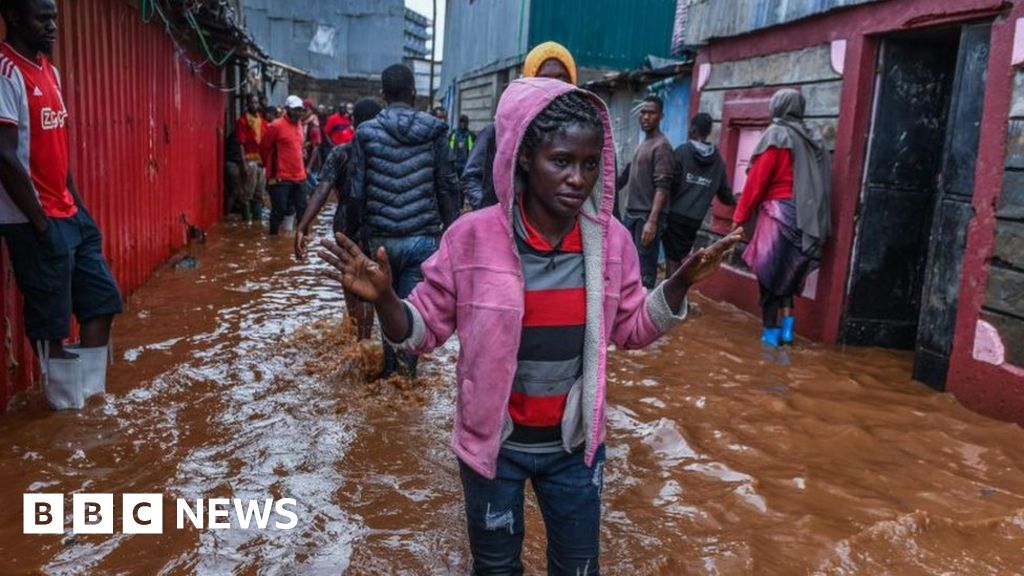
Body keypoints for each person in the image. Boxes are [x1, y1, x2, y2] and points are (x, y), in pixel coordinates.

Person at [320, 78, 743, 573]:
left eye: (589, 164)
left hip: (575, 448)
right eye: (561, 161)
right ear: (523, 157)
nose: (577, 179)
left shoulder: (611, 244)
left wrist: (679, 286)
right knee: (496, 568)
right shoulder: (471, 239)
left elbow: (629, 328)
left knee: (578, 566)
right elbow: (422, 332)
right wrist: (389, 297)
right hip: (492, 450)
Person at [0, 0, 123, 410]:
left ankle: (90, 402)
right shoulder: (6, 71)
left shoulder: (49, 70)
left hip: (70, 213)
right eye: (43, 18)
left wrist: (82, 211)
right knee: (50, 323)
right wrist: (39, 222)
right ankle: (64, 413)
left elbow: (58, 149)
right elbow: (4, 155)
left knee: (101, 302)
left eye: (55, 18)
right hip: (33, 220)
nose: (53, 26)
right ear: (14, 17)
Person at [346, 63, 459, 378]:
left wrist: (355, 237)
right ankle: (405, 380)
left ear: (383, 95)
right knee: (413, 310)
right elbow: (448, 185)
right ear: (414, 93)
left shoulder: (365, 133)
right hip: (422, 239)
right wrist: (453, 236)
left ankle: (388, 375)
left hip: (379, 239)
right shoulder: (436, 130)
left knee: (385, 303)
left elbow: (356, 193)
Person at [732, 89, 832, 347]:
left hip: (778, 216)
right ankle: (788, 331)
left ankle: (770, 338)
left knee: (769, 276)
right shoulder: (811, 139)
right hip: (805, 218)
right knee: (788, 275)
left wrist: (740, 216)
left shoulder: (777, 135)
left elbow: (757, 182)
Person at [295, 99, 382, 339]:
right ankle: (366, 342)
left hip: (345, 226)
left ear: (353, 123)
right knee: (371, 284)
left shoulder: (340, 152)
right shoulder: (387, 154)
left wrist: (303, 226)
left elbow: (322, 191)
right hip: (379, 227)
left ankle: (358, 339)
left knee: (351, 280)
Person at [462, 41, 577, 210]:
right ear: (530, 81)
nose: (555, 87)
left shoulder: (588, 134)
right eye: (544, 78)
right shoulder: (499, 131)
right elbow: (471, 177)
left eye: (562, 78)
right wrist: (490, 212)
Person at [664, 112, 734, 277]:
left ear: (692, 129)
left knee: (672, 260)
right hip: (695, 219)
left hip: (675, 215)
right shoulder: (718, 161)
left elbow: (670, 184)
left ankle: (673, 299)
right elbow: (725, 194)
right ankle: (677, 297)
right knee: (680, 258)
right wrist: (741, 201)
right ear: (708, 132)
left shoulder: (682, 152)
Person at [620, 95, 675, 289]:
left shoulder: (662, 147)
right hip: (632, 214)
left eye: (651, 113)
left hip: (646, 217)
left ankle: (644, 313)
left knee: (645, 270)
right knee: (627, 264)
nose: (645, 117)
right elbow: (626, 177)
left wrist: (652, 221)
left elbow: (663, 187)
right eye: (643, 112)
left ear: (661, 116)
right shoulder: (643, 143)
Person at [261, 95, 308, 235]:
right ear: (288, 110)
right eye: (296, 110)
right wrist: (269, 170)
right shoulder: (276, 125)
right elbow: (264, 148)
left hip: (299, 176)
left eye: (301, 110)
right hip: (280, 176)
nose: (299, 113)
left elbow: (298, 146)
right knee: (278, 209)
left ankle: (303, 240)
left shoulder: (300, 125)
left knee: (304, 210)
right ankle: (273, 239)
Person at [234, 93, 268, 221]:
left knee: (259, 194)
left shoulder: (262, 120)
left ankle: (256, 224)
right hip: (249, 161)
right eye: (252, 102)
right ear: (247, 104)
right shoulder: (243, 121)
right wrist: (243, 164)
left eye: (256, 102)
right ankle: (247, 223)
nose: (255, 105)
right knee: (247, 193)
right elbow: (241, 144)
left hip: (261, 162)